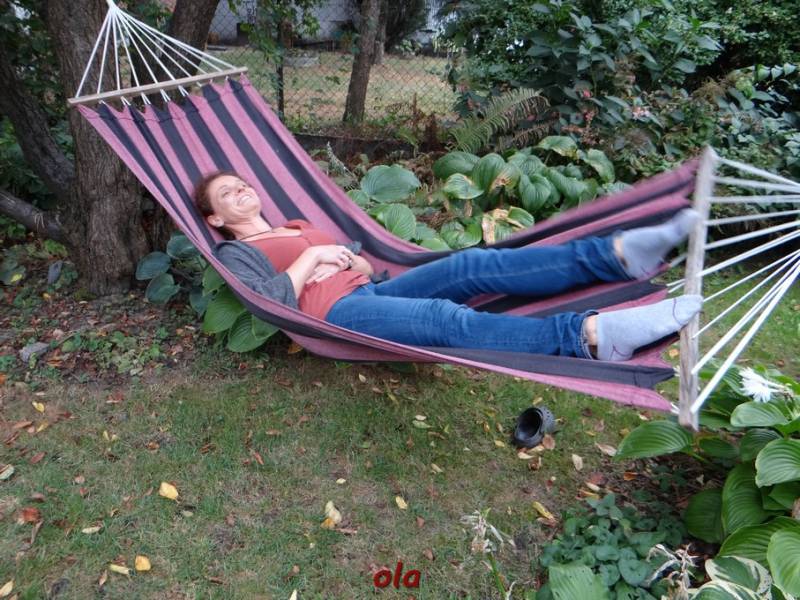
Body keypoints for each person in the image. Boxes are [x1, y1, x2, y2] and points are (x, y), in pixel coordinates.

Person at [195, 171, 702, 361]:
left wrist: (344, 258)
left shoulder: (296, 223)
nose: (241, 189)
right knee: (444, 319)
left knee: (472, 263)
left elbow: (362, 267)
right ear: (215, 218)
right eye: (227, 193)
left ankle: (617, 256)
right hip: (334, 315)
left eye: (241, 183)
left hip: (369, 291)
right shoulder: (235, 251)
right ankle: (589, 337)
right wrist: (312, 257)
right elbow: (269, 302)